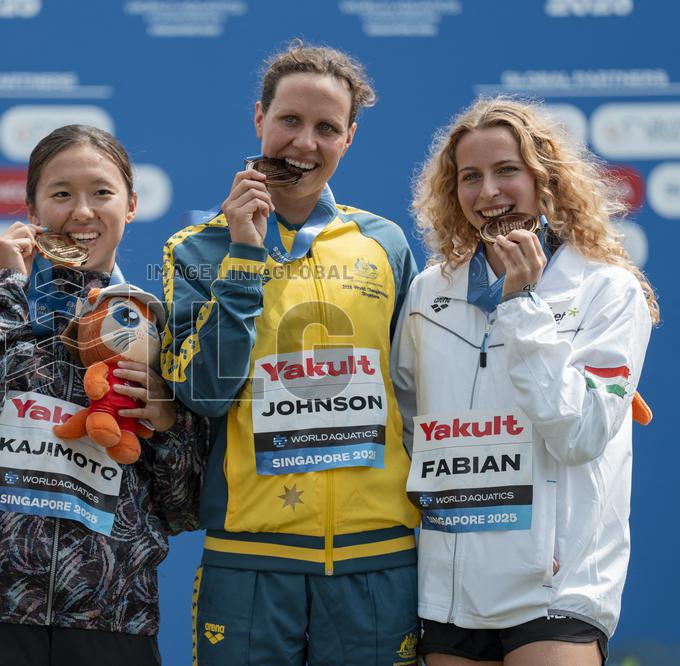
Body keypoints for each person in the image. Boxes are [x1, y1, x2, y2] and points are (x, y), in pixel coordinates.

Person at [162, 41, 421, 665]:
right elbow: (204, 391)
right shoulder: (195, 250)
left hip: (377, 554)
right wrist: (246, 257)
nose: (305, 143)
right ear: (259, 120)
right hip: (251, 555)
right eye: (290, 121)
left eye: (327, 128)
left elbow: (420, 392)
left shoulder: (384, 244)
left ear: (350, 138)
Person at [392, 97, 658, 665]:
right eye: (471, 177)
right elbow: (409, 428)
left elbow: (580, 434)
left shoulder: (607, 291)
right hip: (451, 588)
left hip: (557, 587)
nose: (488, 192)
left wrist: (523, 305)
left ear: (546, 179)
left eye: (506, 171)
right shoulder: (429, 293)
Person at [0, 124, 206, 666]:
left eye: (101, 193)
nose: (82, 212)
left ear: (130, 205)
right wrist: (9, 289)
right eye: (61, 194)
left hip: (114, 615)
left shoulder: (162, 326)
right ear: (31, 207)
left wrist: (167, 423)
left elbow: (185, 506)